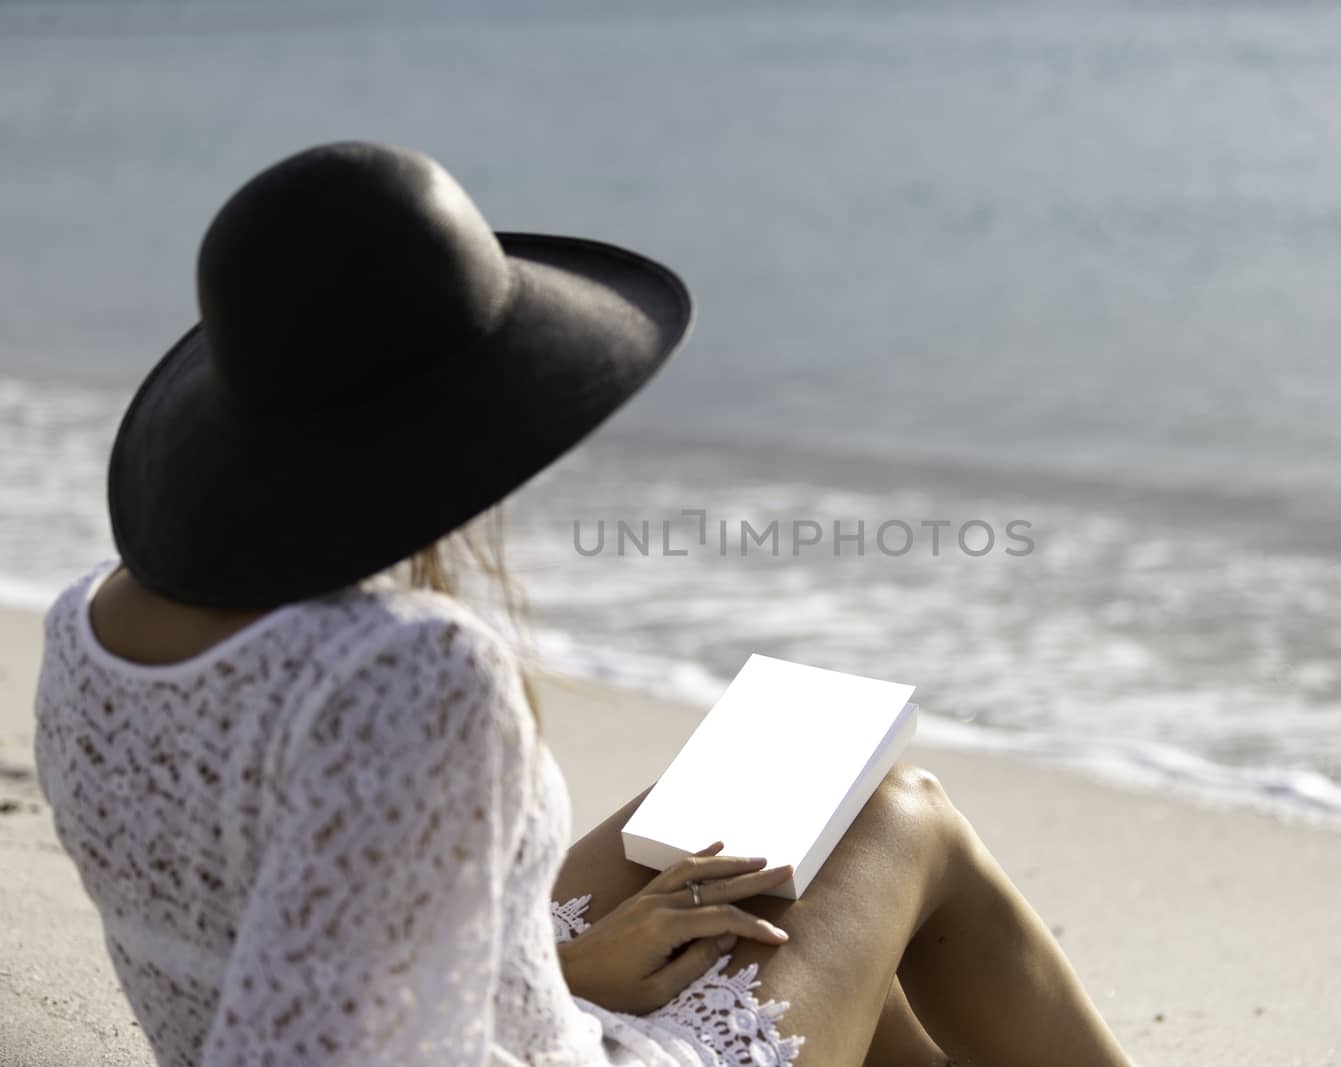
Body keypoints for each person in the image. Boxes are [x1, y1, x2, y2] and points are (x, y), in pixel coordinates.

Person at [31, 141, 1132, 1067]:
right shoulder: (403, 668)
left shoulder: (90, 624)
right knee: (907, 815)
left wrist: (564, 970)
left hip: (495, 1016)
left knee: (783, 831)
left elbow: (305, 952)